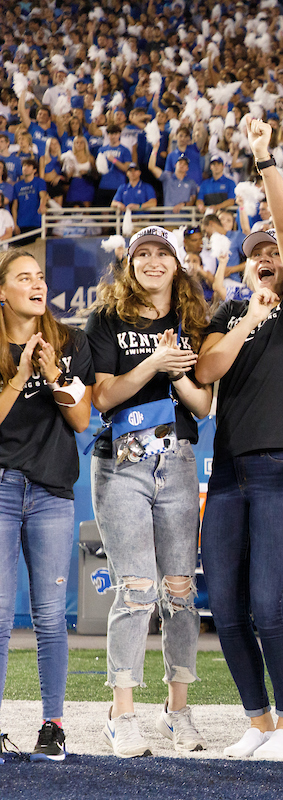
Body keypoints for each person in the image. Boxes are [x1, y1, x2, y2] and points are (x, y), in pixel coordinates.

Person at [194, 119, 283, 761]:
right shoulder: (229, 313)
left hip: (281, 472)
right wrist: (246, 313)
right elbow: (206, 372)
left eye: (274, 250)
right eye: (258, 253)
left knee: (268, 605)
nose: (268, 257)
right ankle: (258, 720)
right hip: (226, 476)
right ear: (244, 265)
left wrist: (264, 159)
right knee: (224, 605)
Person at [85, 225, 213, 757]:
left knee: (180, 590)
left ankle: (177, 710)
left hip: (177, 461)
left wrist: (178, 375)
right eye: (144, 254)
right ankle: (123, 714)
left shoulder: (191, 322)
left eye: (164, 254)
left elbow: (203, 407)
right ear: (130, 263)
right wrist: (154, 364)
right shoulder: (107, 319)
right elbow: (103, 395)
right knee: (136, 588)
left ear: (178, 265)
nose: (154, 263)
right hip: (122, 461)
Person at [0, 250, 94, 761]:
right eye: (23, 277)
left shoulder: (71, 342)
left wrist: (54, 373)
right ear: (3, 290)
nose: (36, 284)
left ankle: (52, 725)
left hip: (52, 492)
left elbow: (81, 420)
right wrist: (17, 377)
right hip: (1, 489)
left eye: (40, 276)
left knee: (50, 617)